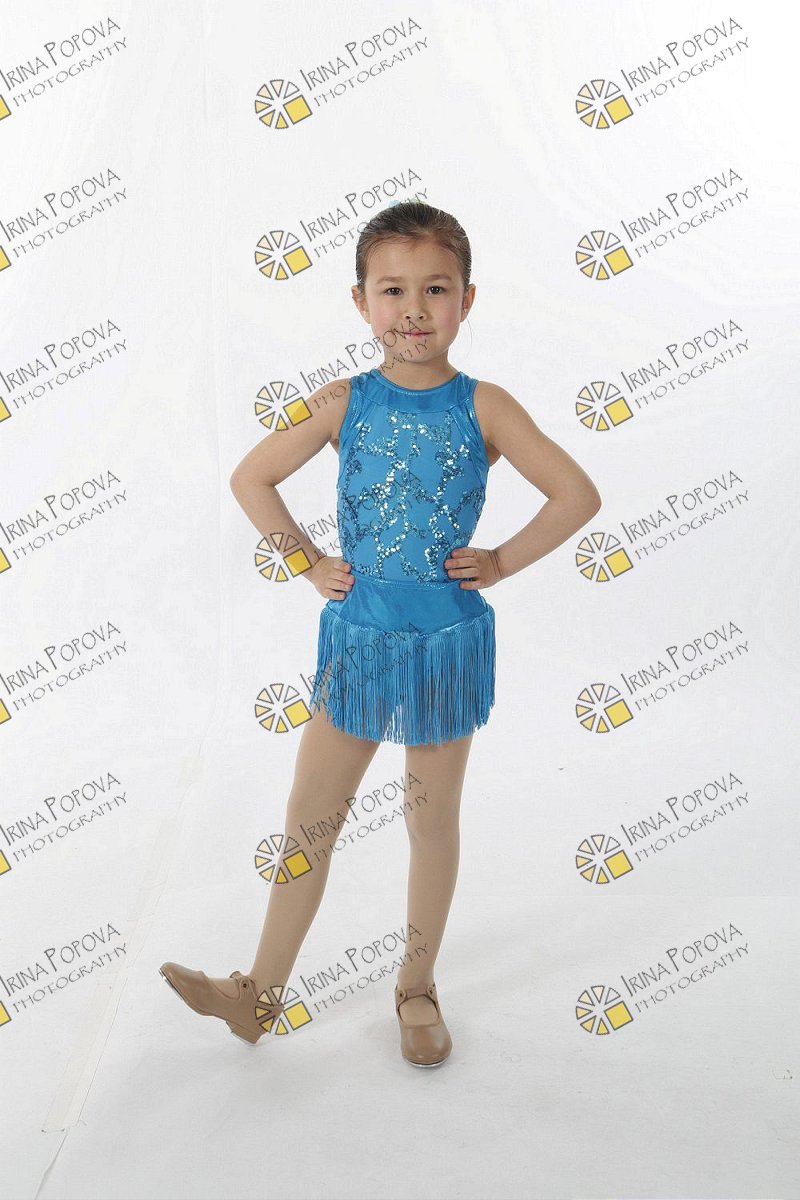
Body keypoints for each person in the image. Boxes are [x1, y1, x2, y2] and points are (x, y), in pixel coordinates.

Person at [160, 200, 602, 1066]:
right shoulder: (343, 402)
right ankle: (257, 994)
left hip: (443, 648)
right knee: (309, 817)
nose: (413, 309)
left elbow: (577, 495)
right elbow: (252, 478)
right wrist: (306, 562)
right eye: (392, 290)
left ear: (467, 300)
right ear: (360, 302)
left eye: (435, 289)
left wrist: (501, 562)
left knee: (429, 819)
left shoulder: (485, 406)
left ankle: (417, 987)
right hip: (360, 639)